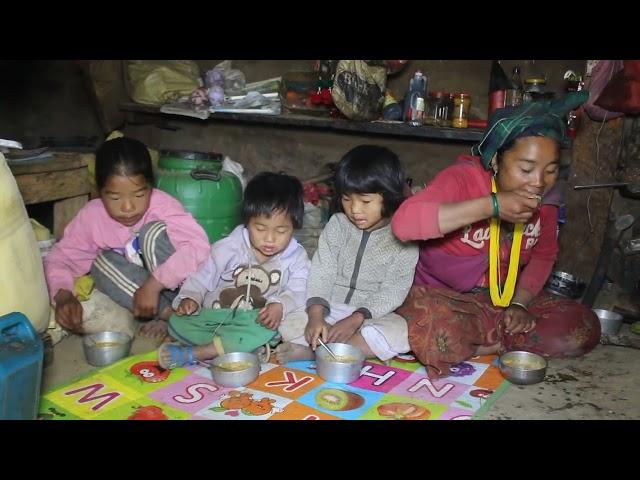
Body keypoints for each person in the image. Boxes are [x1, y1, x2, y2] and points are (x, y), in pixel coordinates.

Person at [391, 90, 600, 378]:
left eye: (551, 170)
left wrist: (519, 303)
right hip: (445, 299)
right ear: (495, 161)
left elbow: (544, 255)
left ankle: (490, 339)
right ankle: (495, 342)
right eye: (526, 168)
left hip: (501, 301)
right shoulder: (462, 179)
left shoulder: (545, 200)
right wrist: (491, 205)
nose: (539, 182)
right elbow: (404, 224)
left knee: (582, 326)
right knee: (435, 327)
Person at [44, 137, 211, 338]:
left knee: (151, 234)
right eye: (115, 197)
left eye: (139, 195)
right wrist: (62, 294)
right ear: (99, 192)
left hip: (185, 291)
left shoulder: (163, 206)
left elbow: (199, 248)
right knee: (101, 264)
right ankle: (171, 317)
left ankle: (186, 313)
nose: (128, 207)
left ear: (150, 187)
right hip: (147, 298)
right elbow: (61, 258)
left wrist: (154, 284)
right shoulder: (92, 217)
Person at [276, 145, 419, 364]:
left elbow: (394, 291)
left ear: (388, 196)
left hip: (370, 316)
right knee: (289, 322)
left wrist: (356, 319)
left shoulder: (404, 237)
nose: (354, 210)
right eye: (346, 199)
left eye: (365, 201)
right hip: (329, 308)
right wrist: (315, 316)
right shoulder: (338, 225)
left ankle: (314, 352)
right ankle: (335, 349)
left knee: (401, 332)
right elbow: (322, 271)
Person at [158, 172, 310, 368]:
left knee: (289, 322)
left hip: (256, 322)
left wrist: (280, 305)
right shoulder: (228, 248)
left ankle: (199, 352)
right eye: (261, 229)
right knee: (178, 321)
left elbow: (300, 291)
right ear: (247, 221)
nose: (270, 239)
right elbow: (201, 278)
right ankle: (240, 347)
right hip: (216, 319)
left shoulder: (296, 257)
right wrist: (191, 298)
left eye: (281, 231)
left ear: (294, 226)